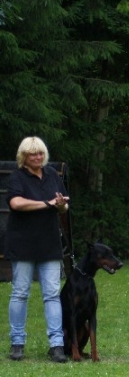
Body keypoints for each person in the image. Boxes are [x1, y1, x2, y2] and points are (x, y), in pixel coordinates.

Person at [6, 136, 70, 363]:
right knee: (20, 292)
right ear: (24, 157)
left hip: (49, 243)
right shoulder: (17, 177)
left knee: (52, 295)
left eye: (41, 153)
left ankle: (57, 345)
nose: (38, 157)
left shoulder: (52, 175)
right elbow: (16, 203)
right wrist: (46, 204)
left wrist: (61, 205)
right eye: (33, 154)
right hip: (22, 242)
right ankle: (17, 343)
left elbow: (63, 207)